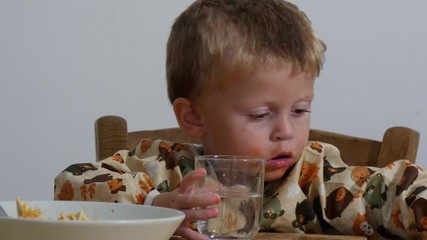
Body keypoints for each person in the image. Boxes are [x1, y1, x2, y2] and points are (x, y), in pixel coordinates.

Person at [54, 0, 427, 239]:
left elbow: (395, 190)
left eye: (300, 110)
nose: (286, 131)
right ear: (194, 116)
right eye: (261, 114)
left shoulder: (317, 178)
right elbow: (72, 185)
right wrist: (154, 206)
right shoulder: (163, 168)